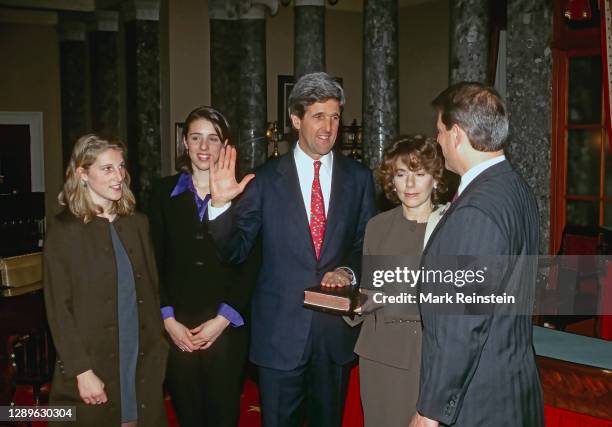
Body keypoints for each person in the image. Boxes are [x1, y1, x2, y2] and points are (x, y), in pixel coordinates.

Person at [207, 72, 377, 427]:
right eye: (318, 116)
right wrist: (221, 206)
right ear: (296, 119)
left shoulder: (359, 178)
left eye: (334, 116)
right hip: (279, 338)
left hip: (334, 337)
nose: (329, 127)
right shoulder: (264, 180)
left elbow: (365, 241)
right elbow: (234, 252)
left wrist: (348, 271)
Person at [410, 82, 544, 427]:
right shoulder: (516, 188)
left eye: (439, 131)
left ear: (456, 134)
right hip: (513, 387)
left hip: (481, 402)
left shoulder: (475, 210)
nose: (437, 141)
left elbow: (461, 325)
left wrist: (430, 411)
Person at [43, 134, 168, 427]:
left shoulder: (137, 223)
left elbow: (151, 291)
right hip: (92, 357)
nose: (119, 176)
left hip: (139, 351)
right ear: (82, 174)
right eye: (107, 168)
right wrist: (81, 371)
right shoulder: (63, 231)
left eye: (121, 167)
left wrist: (160, 351)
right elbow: (58, 310)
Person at [147, 106, 254, 427]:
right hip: (177, 326)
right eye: (196, 138)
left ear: (226, 146)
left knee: (223, 415)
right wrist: (167, 320)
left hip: (226, 326)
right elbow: (152, 261)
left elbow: (253, 264)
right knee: (188, 413)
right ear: (185, 143)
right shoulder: (162, 193)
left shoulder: (246, 193)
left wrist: (222, 320)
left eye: (213, 139)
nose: (204, 147)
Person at [347, 135, 448, 427]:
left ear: (435, 178)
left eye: (419, 174)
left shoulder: (450, 225)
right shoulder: (377, 226)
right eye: (401, 175)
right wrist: (349, 303)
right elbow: (370, 290)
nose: (410, 184)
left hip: (424, 357)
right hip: (378, 354)